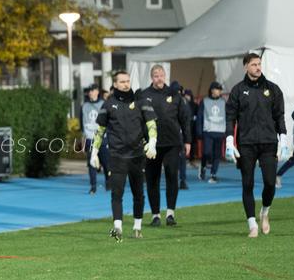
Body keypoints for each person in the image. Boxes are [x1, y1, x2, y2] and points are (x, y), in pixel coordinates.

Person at [225, 52, 288, 238]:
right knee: (248, 184)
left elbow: (279, 116)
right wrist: (230, 140)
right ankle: (252, 224)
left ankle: (265, 212)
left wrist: (283, 139)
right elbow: (230, 118)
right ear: (246, 67)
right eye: (254, 64)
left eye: (259, 64)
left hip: (269, 143)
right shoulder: (237, 91)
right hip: (247, 144)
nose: (258, 67)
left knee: (270, 183)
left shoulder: (273, 89)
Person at [91, 70, 157, 241]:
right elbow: (100, 131)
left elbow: (151, 124)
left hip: (137, 156)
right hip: (117, 155)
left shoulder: (141, 101)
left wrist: (153, 142)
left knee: (138, 193)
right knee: (116, 194)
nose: (126, 84)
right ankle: (117, 230)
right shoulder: (108, 104)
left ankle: (137, 227)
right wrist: (94, 152)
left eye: (128, 81)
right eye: (122, 82)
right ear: (115, 84)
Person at [137, 67, 191, 227]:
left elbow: (185, 118)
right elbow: (139, 121)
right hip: (152, 145)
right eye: (156, 76)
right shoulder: (144, 95)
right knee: (152, 180)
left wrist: (188, 141)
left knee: (172, 176)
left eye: (161, 75)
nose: (159, 78)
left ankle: (170, 214)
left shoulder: (174, 94)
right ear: (151, 77)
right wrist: (142, 142)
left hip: (172, 144)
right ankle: (155, 215)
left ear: (165, 76)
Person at [82, 84, 109, 194]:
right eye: (89, 91)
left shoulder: (104, 104)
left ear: (97, 92)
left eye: (92, 91)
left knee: (106, 163)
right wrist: (83, 138)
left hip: (102, 138)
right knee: (91, 164)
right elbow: (82, 123)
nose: (90, 93)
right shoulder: (84, 106)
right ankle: (93, 186)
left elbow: (109, 120)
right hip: (90, 139)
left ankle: (109, 183)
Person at [197, 82, 226, 183]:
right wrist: (199, 131)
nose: (220, 91)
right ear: (212, 90)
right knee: (206, 152)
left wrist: (227, 132)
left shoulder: (223, 102)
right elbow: (200, 117)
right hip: (208, 131)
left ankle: (213, 174)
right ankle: (203, 166)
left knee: (217, 154)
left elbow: (228, 116)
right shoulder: (204, 101)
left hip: (220, 131)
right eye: (218, 89)